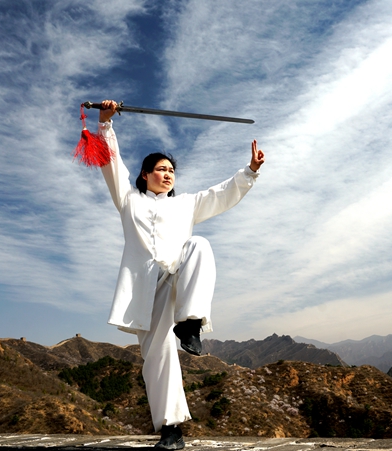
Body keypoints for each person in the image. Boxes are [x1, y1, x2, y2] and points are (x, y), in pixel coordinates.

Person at [95, 100, 265, 449]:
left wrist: (249, 171)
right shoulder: (129, 200)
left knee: (199, 244)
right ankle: (171, 430)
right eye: (161, 169)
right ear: (145, 174)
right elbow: (112, 165)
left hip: (178, 281)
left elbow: (220, 195)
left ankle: (190, 324)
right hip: (145, 291)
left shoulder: (185, 203)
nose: (168, 174)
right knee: (157, 358)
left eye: (172, 170)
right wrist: (106, 125)